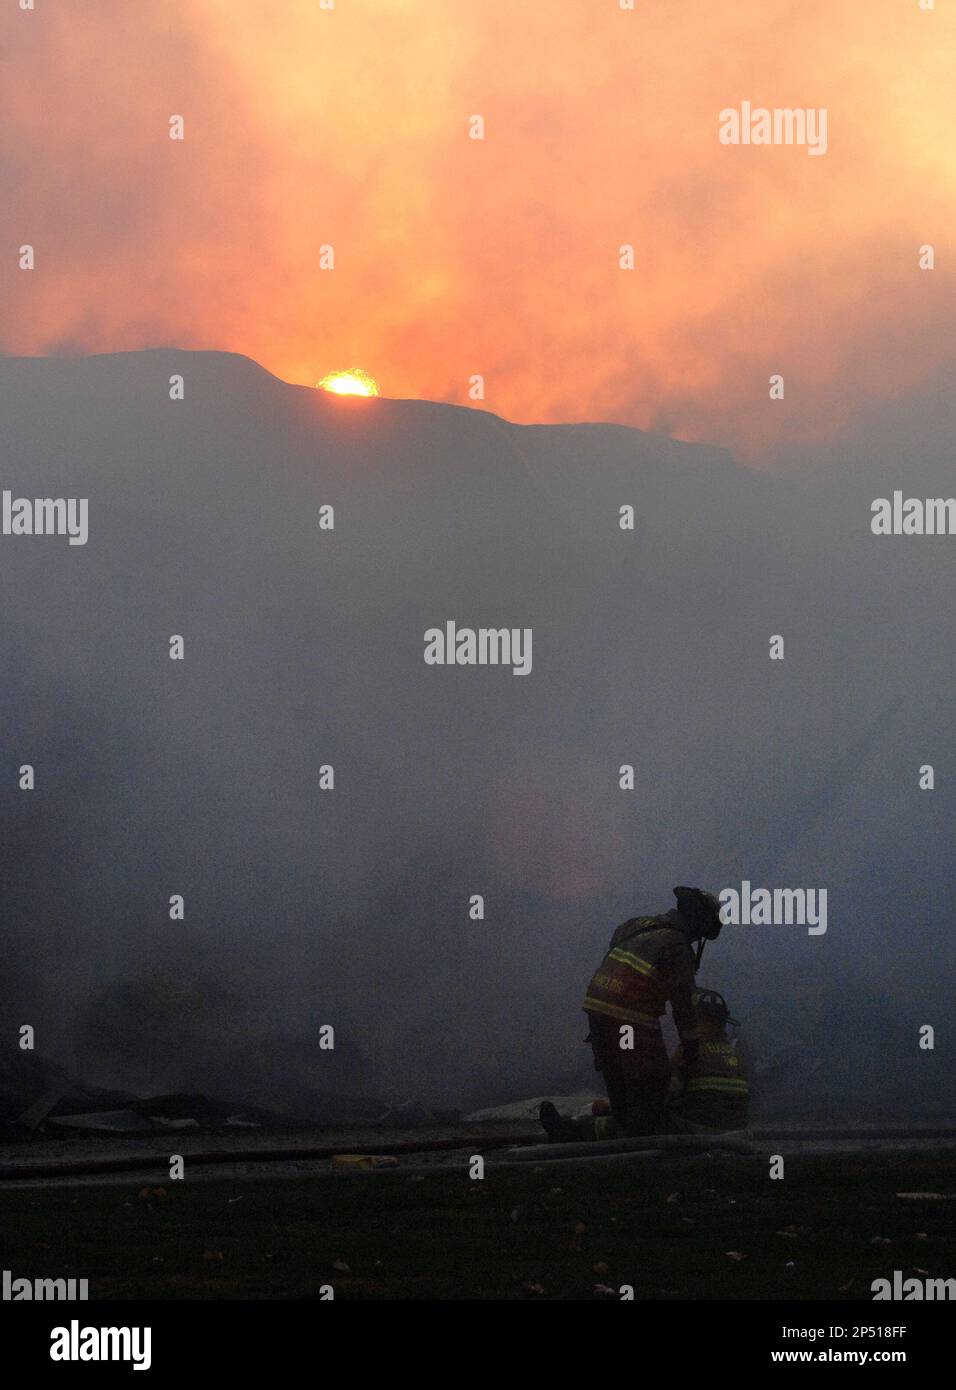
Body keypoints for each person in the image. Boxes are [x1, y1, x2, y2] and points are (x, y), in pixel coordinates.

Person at [539, 886, 722, 1141]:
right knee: (653, 1084)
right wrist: (691, 1049)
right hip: (631, 1018)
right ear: (698, 922)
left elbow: (613, 960)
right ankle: (627, 1142)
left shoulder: (634, 926)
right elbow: (684, 1004)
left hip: (597, 1009)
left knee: (621, 1087)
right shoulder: (677, 947)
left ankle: (577, 1133)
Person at [668, 988, 750, 1132]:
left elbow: (668, 1091)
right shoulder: (737, 1055)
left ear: (698, 1017)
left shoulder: (690, 1050)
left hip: (699, 1129)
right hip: (736, 1129)